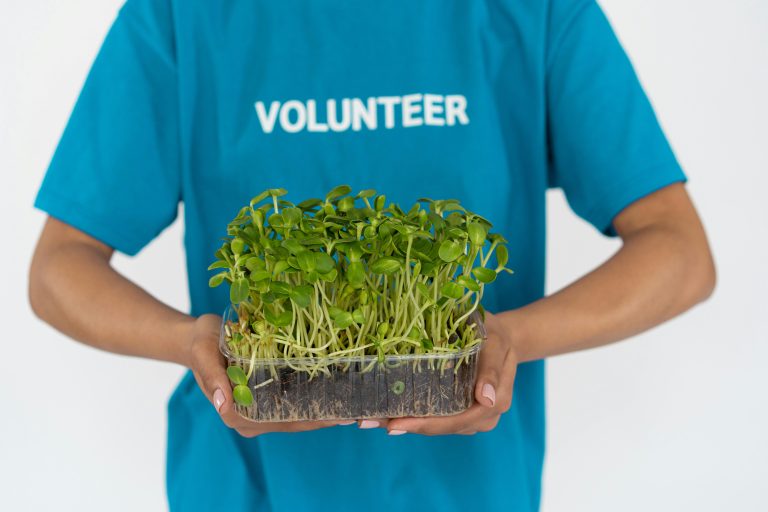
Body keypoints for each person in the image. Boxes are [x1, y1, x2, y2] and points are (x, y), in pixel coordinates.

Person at [28, 0, 715, 510]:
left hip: (471, 492)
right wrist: (191, 342)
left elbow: (679, 251)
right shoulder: (184, 14)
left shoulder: (533, 10)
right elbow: (60, 266)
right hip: (246, 490)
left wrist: (512, 337)